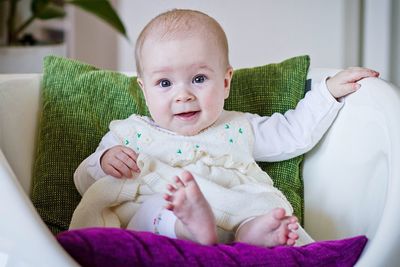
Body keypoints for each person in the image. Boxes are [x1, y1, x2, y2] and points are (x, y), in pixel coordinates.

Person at [70, 9, 379, 247]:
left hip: (229, 214)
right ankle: (187, 226)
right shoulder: (131, 133)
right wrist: (105, 160)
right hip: (162, 219)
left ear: (226, 81)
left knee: (257, 211)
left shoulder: (238, 127)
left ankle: (253, 234)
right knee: (150, 209)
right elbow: (86, 180)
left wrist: (327, 93)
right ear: (144, 90)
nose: (183, 94)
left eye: (199, 79)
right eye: (165, 83)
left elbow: (292, 132)